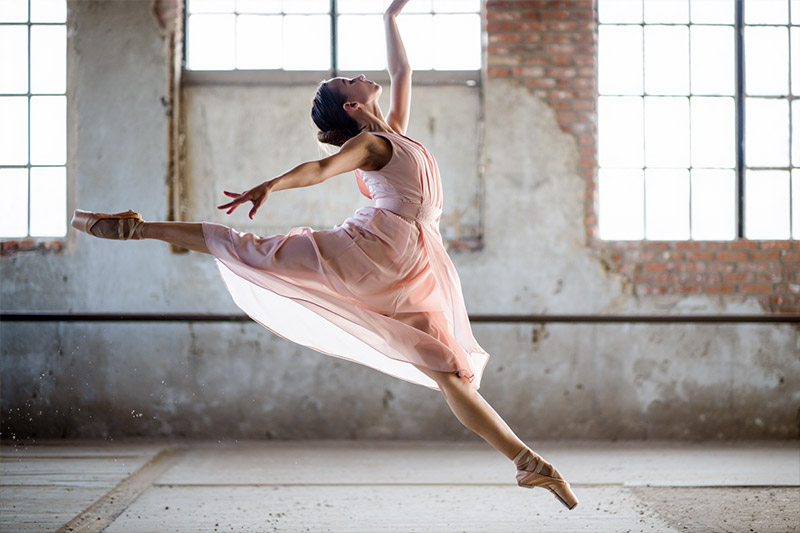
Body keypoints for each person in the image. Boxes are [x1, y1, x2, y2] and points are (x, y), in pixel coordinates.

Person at [71, 0, 578, 510]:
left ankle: (527, 462)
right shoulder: (373, 145)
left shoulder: (394, 129)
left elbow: (402, 70)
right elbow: (319, 169)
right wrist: (270, 185)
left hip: (413, 259)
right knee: (251, 249)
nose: (361, 76)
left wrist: (391, 17)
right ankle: (139, 229)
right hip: (380, 248)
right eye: (349, 83)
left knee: (446, 368)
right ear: (354, 109)